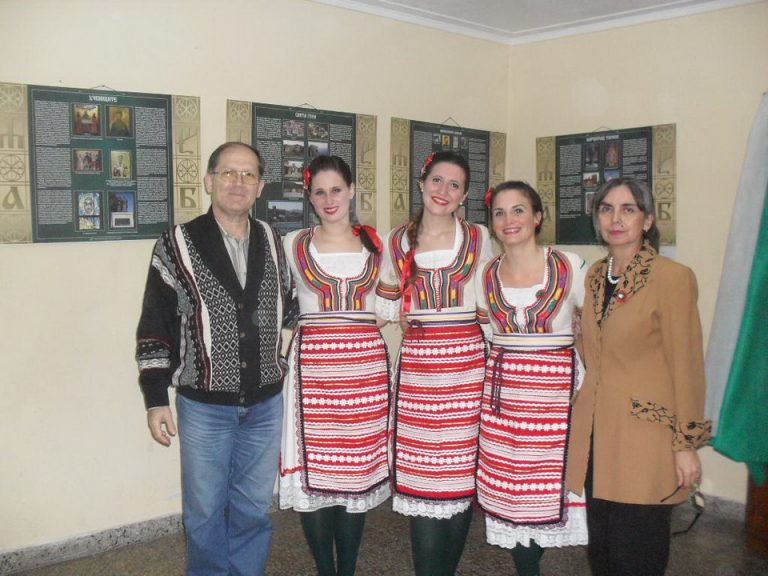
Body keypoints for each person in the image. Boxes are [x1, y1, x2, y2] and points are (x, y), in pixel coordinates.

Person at [135, 142, 290, 576]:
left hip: (265, 405)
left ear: (259, 186)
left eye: (248, 174)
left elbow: (295, 308)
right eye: (228, 173)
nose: (238, 182)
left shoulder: (275, 242)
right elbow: (155, 325)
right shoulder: (176, 244)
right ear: (209, 181)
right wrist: (155, 398)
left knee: (253, 509)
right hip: (204, 407)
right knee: (204, 513)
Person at [565, 177, 711, 576]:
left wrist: (685, 444)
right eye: (606, 209)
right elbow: (597, 352)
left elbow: (687, 366)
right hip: (598, 433)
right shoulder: (596, 276)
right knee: (603, 552)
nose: (616, 219)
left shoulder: (672, 277)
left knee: (636, 554)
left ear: (647, 220)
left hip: (646, 437)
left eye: (628, 209)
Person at [376, 151, 492, 576]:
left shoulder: (479, 237)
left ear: (464, 196)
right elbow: (384, 307)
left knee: (459, 479)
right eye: (437, 180)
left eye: (454, 185)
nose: (444, 191)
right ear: (421, 183)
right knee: (423, 479)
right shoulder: (395, 241)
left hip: (468, 368)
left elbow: (491, 303)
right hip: (420, 371)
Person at [279, 155, 390, 576]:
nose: (329, 200)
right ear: (309, 197)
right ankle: (326, 569)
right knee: (315, 477)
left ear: (352, 190)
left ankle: (348, 570)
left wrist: (352, 328)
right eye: (320, 192)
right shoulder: (293, 244)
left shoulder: (377, 246)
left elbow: (389, 307)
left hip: (364, 373)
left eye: (337, 190)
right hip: (313, 373)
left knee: (354, 476)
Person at [474, 181, 588, 576]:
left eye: (518, 210)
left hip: (556, 401)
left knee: (547, 492)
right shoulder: (486, 274)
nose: (509, 220)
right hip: (504, 400)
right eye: (500, 212)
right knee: (511, 495)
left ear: (538, 217)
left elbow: (593, 327)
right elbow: (487, 332)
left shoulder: (570, 265)